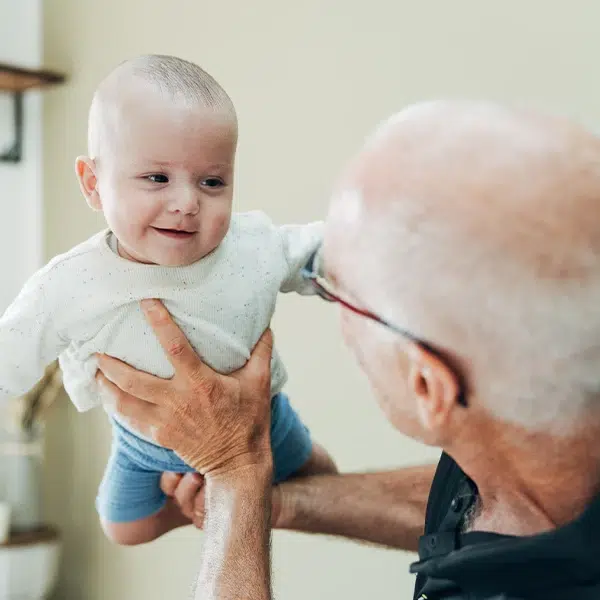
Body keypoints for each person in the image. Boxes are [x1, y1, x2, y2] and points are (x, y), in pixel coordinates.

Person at [97, 99, 600, 600]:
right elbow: (503, 497)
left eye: (339, 291)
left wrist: (234, 472)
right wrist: (279, 503)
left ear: (428, 387)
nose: (337, 319)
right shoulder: (535, 446)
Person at [0, 54, 336, 547]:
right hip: (143, 446)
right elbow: (11, 352)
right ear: (94, 184)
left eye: (212, 182)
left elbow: (320, 249)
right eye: (157, 178)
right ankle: (190, 508)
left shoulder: (252, 245)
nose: (186, 203)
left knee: (324, 481)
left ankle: (226, 494)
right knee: (124, 528)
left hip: (260, 421)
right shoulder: (68, 285)